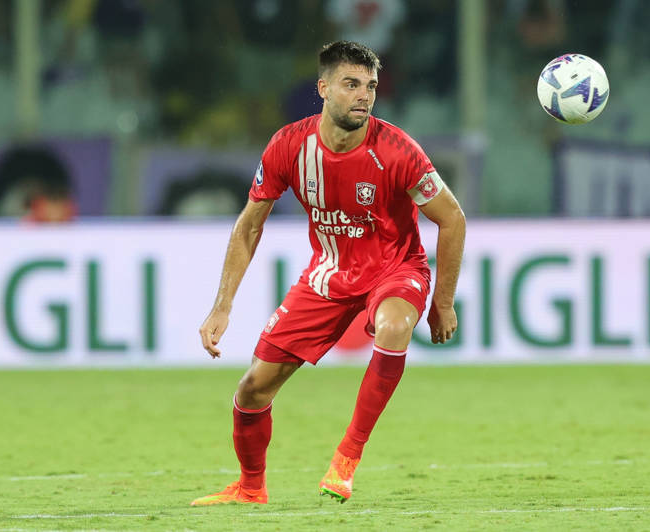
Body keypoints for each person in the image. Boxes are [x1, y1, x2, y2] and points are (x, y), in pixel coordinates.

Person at [190, 41, 466, 506]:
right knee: (253, 389)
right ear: (322, 88)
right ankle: (250, 487)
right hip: (329, 274)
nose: (363, 96)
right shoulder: (289, 146)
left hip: (395, 268)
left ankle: (347, 459)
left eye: (370, 86)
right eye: (351, 84)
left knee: (394, 326)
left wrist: (442, 302)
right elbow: (249, 226)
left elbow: (452, 217)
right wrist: (222, 306)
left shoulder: (398, 151)